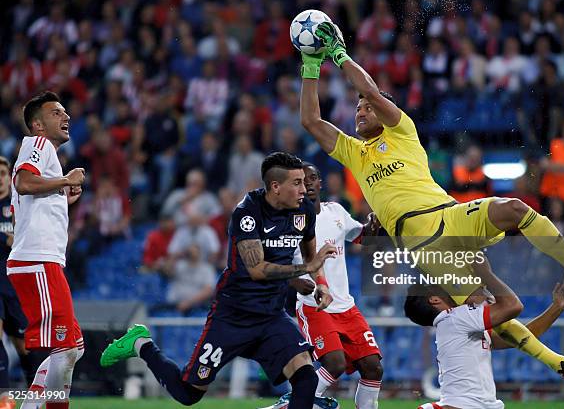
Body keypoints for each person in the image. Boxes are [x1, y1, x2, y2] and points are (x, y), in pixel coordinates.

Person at [298, 20, 564, 385]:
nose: (361, 111)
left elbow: (372, 89)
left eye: (367, 107)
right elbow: (310, 120)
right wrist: (311, 65)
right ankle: (559, 364)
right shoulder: (353, 152)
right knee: (491, 312)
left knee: (515, 209)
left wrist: (339, 55)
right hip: (421, 247)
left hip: (449, 215)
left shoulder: (402, 132)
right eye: (358, 108)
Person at [100, 152, 337, 409]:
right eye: (297, 183)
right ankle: (141, 343)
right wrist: (304, 269)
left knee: (306, 378)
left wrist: (320, 283)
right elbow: (257, 269)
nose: (306, 189)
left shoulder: (304, 211)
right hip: (233, 316)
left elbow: (310, 256)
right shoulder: (247, 213)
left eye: (304, 181)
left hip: (271, 315)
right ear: (276, 187)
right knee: (188, 393)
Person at [272, 163, 384, 409]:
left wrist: (374, 225)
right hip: (315, 306)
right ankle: (293, 402)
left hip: (346, 306)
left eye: (312, 178)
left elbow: (362, 236)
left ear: (320, 183)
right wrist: (294, 281)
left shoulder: (336, 211)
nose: (307, 184)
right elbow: (275, 268)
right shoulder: (287, 223)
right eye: (300, 180)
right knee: (335, 363)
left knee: (373, 367)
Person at [406, 266, 564, 409]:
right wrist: (485, 273)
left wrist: (557, 307)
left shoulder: (454, 324)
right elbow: (513, 305)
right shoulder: (455, 318)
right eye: (437, 286)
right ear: (434, 299)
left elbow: (522, 337)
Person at [8, 91, 86, 409]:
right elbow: (24, 183)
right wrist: (65, 179)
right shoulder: (37, 144)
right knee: (65, 349)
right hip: (37, 260)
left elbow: (30, 197)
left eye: (65, 111)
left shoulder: (46, 154)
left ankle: (30, 406)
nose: (65, 116)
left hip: (40, 261)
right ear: (38, 125)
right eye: (56, 113)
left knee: (74, 346)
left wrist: (63, 191)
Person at [0, 156, 41, 388]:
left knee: (24, 346)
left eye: (3, 174)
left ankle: (35, 392)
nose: (0, 179)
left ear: (9, 178)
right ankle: (3, 395)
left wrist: (19, 239)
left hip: (16, 284)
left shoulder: (19, 205)